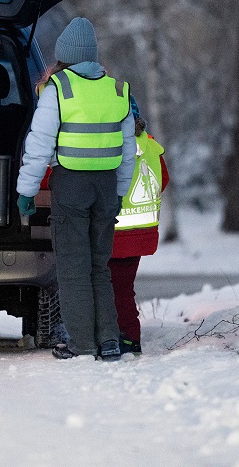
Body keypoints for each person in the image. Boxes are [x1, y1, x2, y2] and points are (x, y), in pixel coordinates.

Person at [16, 17, 136, 360]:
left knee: (72, 266)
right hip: (106, 185)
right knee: (100, 265)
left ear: (63, 55)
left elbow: (39, 144)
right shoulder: (117, 89)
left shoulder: (59, 88)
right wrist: (119, 192)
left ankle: (82, 343)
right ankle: (109, 340)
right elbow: (127, 150)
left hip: (71, 184)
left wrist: (26, 192)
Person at [109, 100, 169, 355]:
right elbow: (162, 180)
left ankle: (122, 338)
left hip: (116, 233)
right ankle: (128, 337)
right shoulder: (151, 146)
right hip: (141, 233)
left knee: (112, 289)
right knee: (124, 288)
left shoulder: (114, 147)